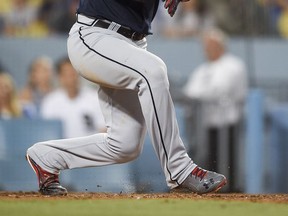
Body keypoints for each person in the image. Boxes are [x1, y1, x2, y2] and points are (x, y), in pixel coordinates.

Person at [26, 0, 227, 196]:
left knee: (124, 145)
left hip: (131, 43)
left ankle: (46, 157)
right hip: (94, 34)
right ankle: (179, 168)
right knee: (153, 72)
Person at [183, 28, 248, 192]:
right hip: (207, 124)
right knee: (209, 158)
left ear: (220, 46)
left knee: (229, 159)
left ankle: (232, 189)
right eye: (206, 46)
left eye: (211, 45)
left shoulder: (233, 65)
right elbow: (189, 90)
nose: (207, 50)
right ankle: (212, 189)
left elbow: (219, 89)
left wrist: (201, 94)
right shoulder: (204, 68)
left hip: (228, 123)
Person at [40, 57, 106, 138]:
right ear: (60, 77)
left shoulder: (94, 97)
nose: (71, 78)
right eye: (67, 74)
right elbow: (47, 133)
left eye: (73, 73)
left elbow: (103, 129)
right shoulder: (50, 101)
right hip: (61, 148)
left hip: (90, 147)